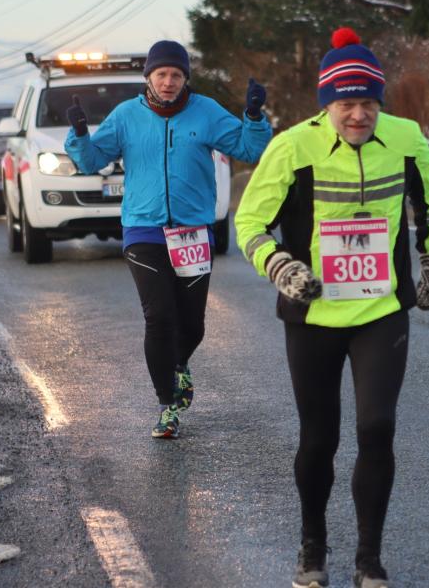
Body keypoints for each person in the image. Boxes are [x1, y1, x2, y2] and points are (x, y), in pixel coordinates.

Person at [234, 27, 429, 588]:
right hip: (313, 315)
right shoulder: (291, 146)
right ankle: (312, 546)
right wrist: (281, 267)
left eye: (369, 104)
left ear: (382, 103)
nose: (359, 116)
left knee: (377, 427)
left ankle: (369, 558)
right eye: (347, 104)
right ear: (327, 104)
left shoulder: (406, 138)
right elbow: (250, 224)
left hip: (381, 311)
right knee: (318, 438)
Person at [65, 40, 273, 439]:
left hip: (193, 230)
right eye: (161, 74)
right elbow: (91, 161)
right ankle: (166, 405)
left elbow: (251, 148)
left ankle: (177, 366)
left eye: (176, 75)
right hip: (144, 229)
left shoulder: (207, 111)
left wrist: (253, 115)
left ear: (185, 79)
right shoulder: (126, 115)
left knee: (192, 325)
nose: (168, 82)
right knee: (159, 316)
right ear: (149, 77)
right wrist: (79, 135)